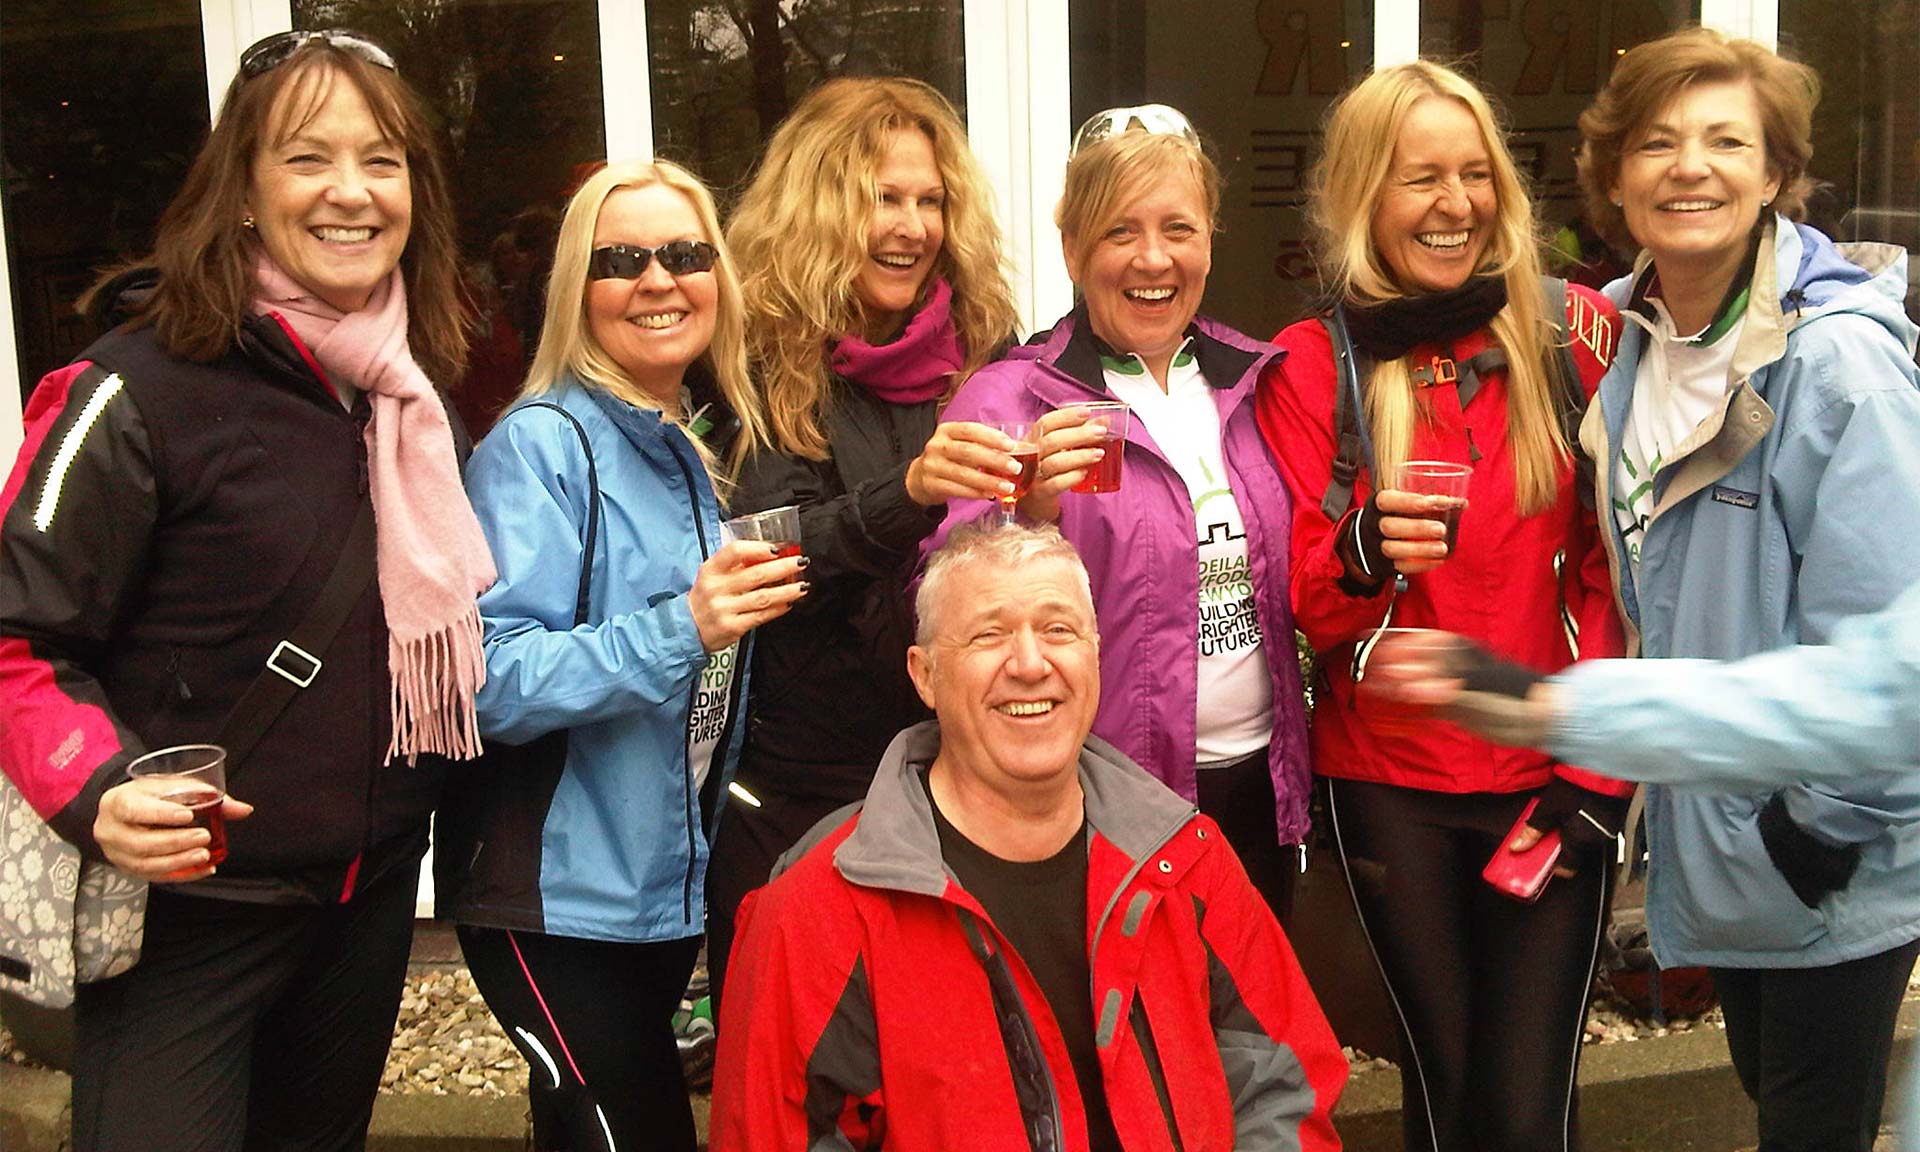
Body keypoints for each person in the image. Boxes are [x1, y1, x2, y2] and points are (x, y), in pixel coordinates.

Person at [0, 29, 491, 1151]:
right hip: (187, 924)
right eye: (308, 157)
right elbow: (17, 637)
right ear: (241, 193)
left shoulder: (414, 397)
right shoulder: (131, 388)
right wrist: (96, 788)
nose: (351, 192)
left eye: (382, 161)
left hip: (367, 904)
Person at [1252, 61, 1628, 1152]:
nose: (1454, 204)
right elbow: (1303, 610)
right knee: (1446, 1091)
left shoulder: (1572, 336)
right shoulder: (1308, 366)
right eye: (1421, 178)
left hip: (1549, 778)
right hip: (1389, 787)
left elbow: (1619, 573)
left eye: (1474, 174)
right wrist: (1362, 551)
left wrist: (1598, 774)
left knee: (1525, 1111)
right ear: (1365, 194)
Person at [710, 523, 1347, 1152]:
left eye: (1058, 630)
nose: (1030, 664)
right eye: (988, 635)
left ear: (1096, 655)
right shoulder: (816, 914)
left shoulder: (1186, 862)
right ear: (925, 675)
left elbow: (1286, 1091)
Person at [1567, 26, 1920, 1151]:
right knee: (1781, 1103)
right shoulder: (1631, 339)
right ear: (1616, 177)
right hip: (1724, 838)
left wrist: (1817, 830)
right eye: (1657, 142)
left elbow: (1894, 633)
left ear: (1774, 176)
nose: (1690, 167)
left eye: (1727, 141)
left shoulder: (1836, 362)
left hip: (1823, 849)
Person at [439, 160, 802, 1152]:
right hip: (550, 903)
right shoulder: (540, 445)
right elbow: (487, 681)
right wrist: (684, 626)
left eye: (684, 254)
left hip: (658, 894)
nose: (657, 280)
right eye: (621, 260)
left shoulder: (699, 442)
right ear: (577, 290)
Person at [932, 104, 1314, 924]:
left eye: (1179, 229)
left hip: (1261, 781)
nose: (1153, 259)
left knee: (1245, 997)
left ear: (1209, 240)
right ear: (1073, 250)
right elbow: (944, 609)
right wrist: (1027, 510)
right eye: (1119, 232)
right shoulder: (1007, 399)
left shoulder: (1258, 384)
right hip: (1104, 792)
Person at [704, 77, 1020, 1003]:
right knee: (795, 1045)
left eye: (930, 201)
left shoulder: (985, 349)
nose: (911, 228)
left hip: (954, 770)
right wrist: (909, 493)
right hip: (797, 788)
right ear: (821, 204)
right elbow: (767, 556)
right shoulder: (750, 354)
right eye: (883, 198)